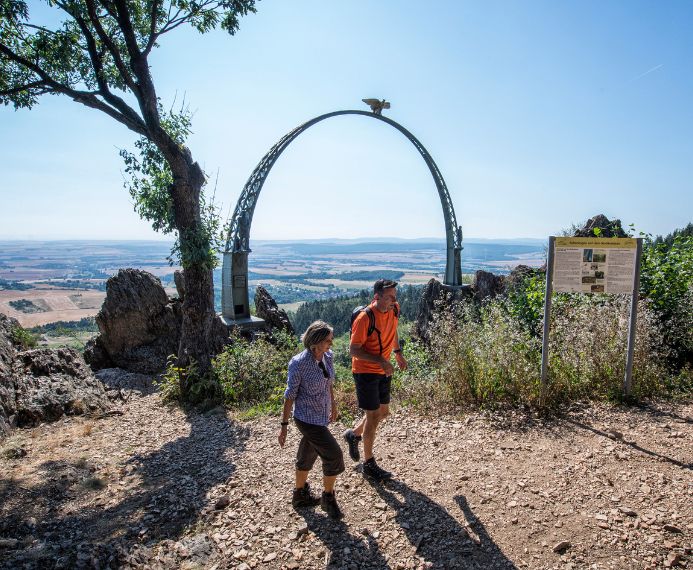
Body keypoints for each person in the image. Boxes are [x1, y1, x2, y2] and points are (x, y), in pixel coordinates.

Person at [278, 320, 345, 519]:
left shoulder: (328, 357)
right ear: (315, 341)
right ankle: (328, 497)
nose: (331, 344)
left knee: (308, 453)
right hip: (306, 418)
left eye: (331, 340)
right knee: (334, 455)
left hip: (321, 415)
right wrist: (284, 426)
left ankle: (299, 495)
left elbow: (328, 383)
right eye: (328, 341)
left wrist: (333, 404)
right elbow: (289, 396)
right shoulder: (298, 363)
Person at [343, 279, 407, 480]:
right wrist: (380, 360)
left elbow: (393, 328)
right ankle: (368, 463)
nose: (393, 301)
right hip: (365, 371)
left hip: (383, 368)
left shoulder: (394, 309)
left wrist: (397, 353)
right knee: (372, 417)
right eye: (389, 297)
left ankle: (353, 435)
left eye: (395, 297)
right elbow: (353, 350)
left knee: (383, 412)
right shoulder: (364, 318)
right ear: (376, 297)